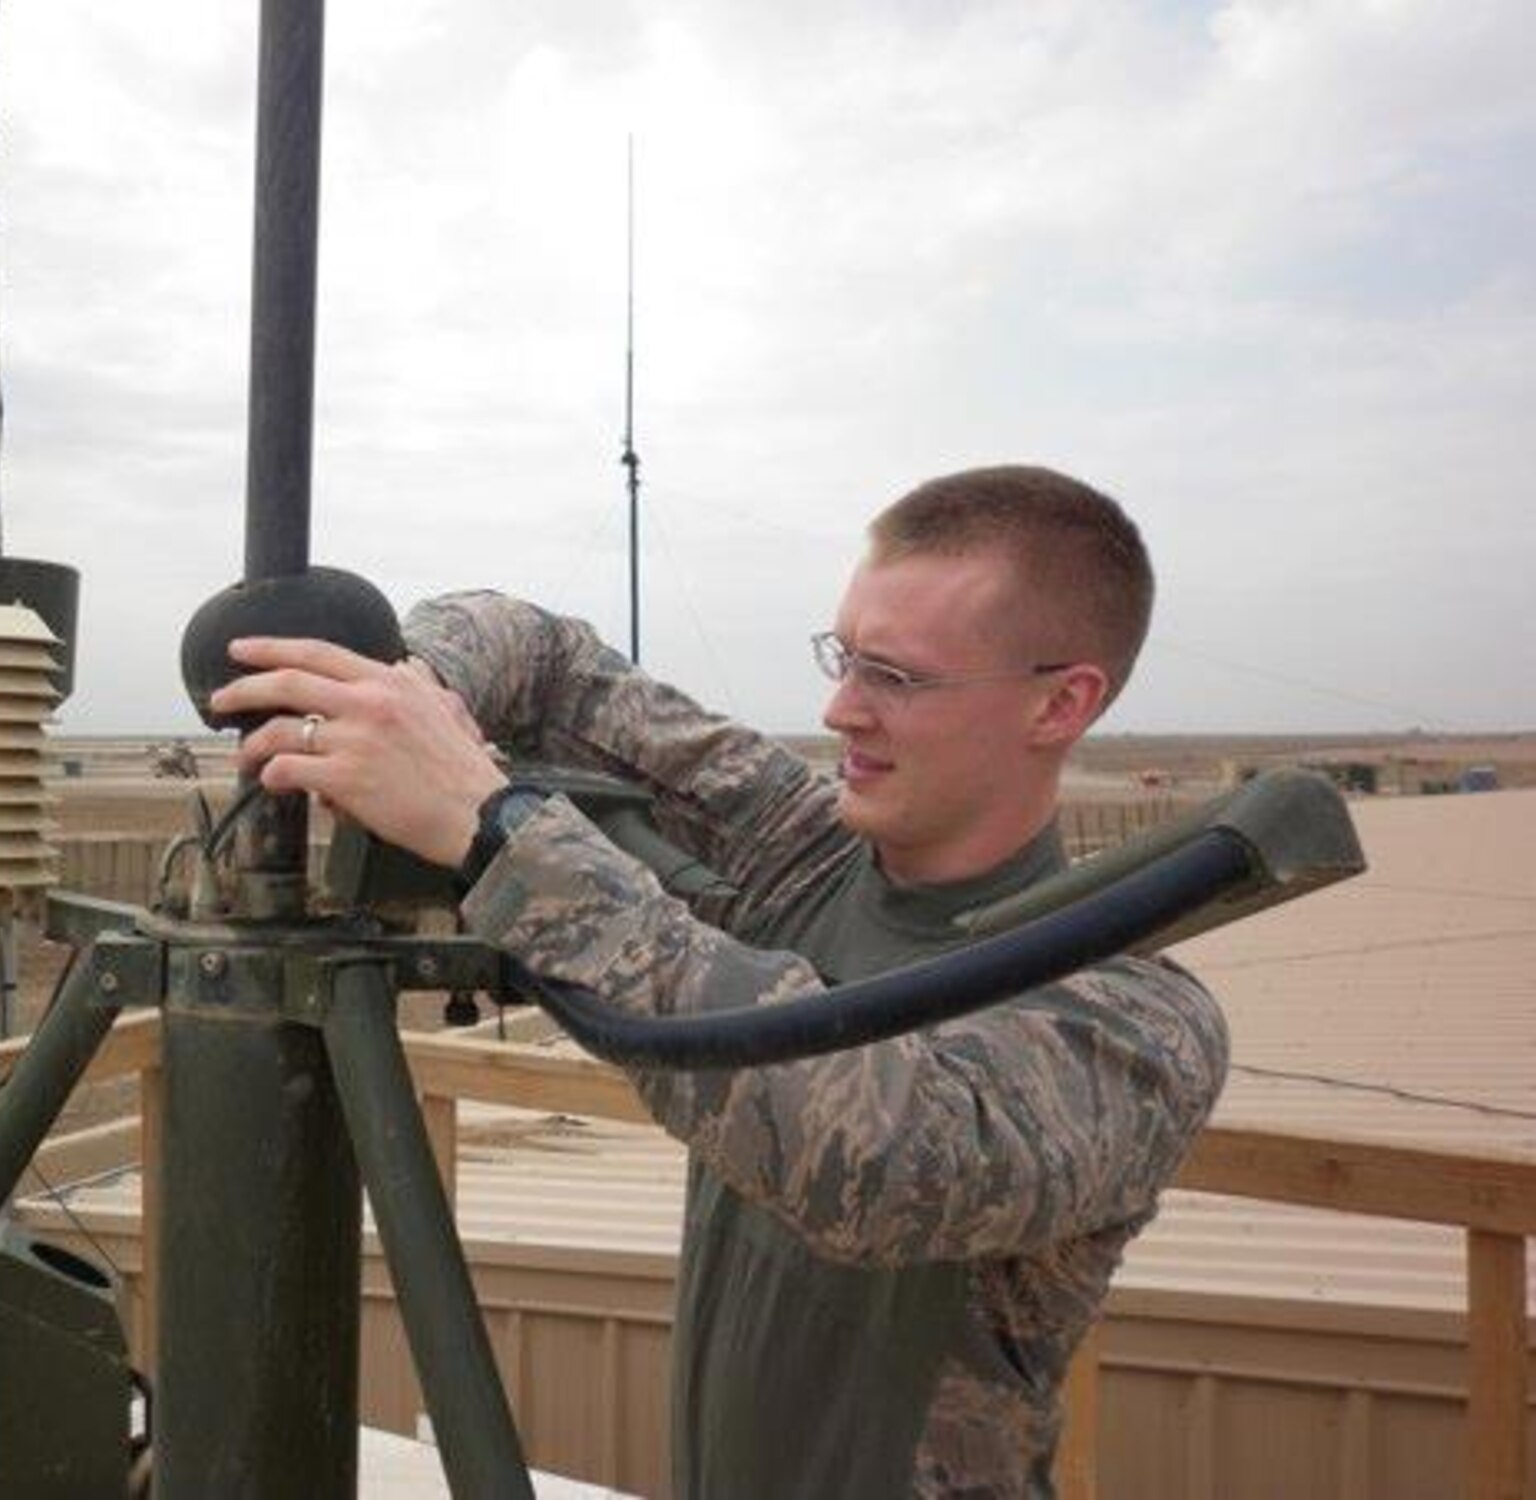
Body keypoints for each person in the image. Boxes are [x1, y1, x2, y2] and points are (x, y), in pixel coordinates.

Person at [209, 464, 1228, 1498]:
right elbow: (553, 664)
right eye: (842, 657)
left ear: (1059, 703)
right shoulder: (804, 852)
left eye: (896, 678)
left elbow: (877, 1153)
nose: (840, 710)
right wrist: (416, 688)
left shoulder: (1130, 1017)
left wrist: (496, 831)